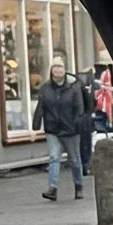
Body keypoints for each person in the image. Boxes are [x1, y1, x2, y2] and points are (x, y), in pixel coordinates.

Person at [33, 55, 89, 201]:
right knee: (54, 158)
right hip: (52, 129)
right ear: (51, 70)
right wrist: (35, 127)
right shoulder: (45, 88)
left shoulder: (73, 86)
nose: (57, 69)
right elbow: (40, 107)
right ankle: (52, 189)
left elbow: (79, 107)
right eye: (55, 67)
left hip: (70, 129)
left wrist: (77, 123)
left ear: (65, 70)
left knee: (74, 160)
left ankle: (78, 186)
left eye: (60, 67)